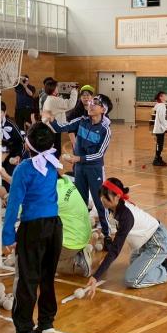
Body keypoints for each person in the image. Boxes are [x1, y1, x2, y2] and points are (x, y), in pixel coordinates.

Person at [1, 122, 64, 333]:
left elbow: (13, 204)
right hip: (54, 226)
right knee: (47, 276)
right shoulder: (53, 162)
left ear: (28, 144)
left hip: (33, 228)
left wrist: (8, 235)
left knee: (27, 280)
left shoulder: (24, 169)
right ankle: (46, 321)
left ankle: (24, 332)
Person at [85, 178, 167, 298]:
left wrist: (96, 276)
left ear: (117, 196)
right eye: (101, 195)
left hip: (158, 242)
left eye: (105, 196)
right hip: (145, 243)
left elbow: (115, 249)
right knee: (134, 263)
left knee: (132, 279)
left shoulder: (126, 216)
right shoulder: (115, 207)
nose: (102, 199)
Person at [47, 95, 114, 238]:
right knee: (80, 200)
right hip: (79, 168)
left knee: (99, 201)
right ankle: (81, 230)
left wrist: (78, 158)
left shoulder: (105, 130)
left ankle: (107, 233)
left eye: (95, 103)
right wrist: (52, 119)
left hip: (94, 169)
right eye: (91, 102)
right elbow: (61, 127)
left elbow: (99, 155)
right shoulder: (82, 120)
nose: (91, 104)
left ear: (103, 110)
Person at [55, 173, 93, 277]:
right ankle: (79, 252)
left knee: (39, 262)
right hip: (82, 233)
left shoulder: (53, 193)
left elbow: (22, 210)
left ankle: (78, 263)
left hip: (72, 241)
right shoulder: (65, 181)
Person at [43, 80, 78, 152]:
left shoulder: (49, 98)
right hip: (54, 129)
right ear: (53, 90)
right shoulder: (54, 100)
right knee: (56, 151)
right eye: (56, 87)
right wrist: (74, 90)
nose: (57, 88)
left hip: (49, 128)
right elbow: (71, 104)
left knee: (52, 150)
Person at [152, 91, 167, 167]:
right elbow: (161, 119)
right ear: (161, 97)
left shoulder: (160, 105)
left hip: (160, 129)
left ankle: (158, 158)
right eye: (165, 95)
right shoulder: (161, 106)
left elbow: (162, 118)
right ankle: (156, 160)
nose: (166, 96)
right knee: (159, 145)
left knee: (160, 145)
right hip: (159, 129)